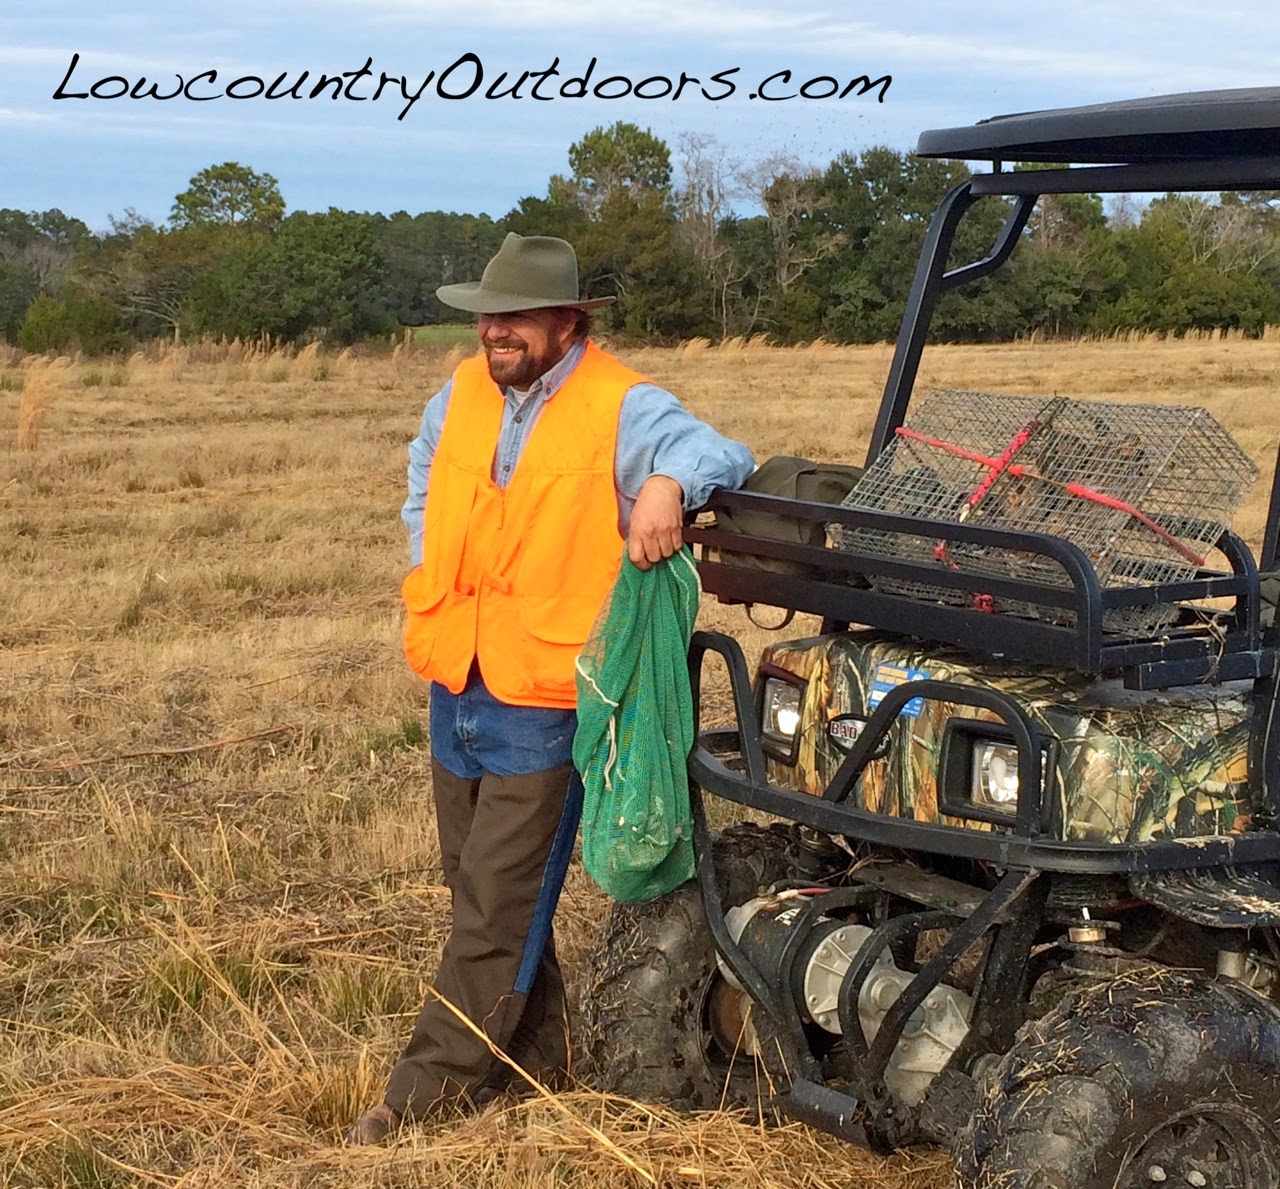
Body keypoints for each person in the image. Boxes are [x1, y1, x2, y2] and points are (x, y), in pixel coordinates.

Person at [347, 233, 754, 1143]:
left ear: (569, 321)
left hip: (545, 692)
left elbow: (721, 452)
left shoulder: (622, 401)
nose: (496, 331)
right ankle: (541, 1061)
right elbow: (423, 480)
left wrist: (664, 483)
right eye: (489, 314)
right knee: (478, 890)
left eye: (518, 316)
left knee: (496, 898)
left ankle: (423, 1095)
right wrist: (427, 566)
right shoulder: (459, 392)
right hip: (457, 673)